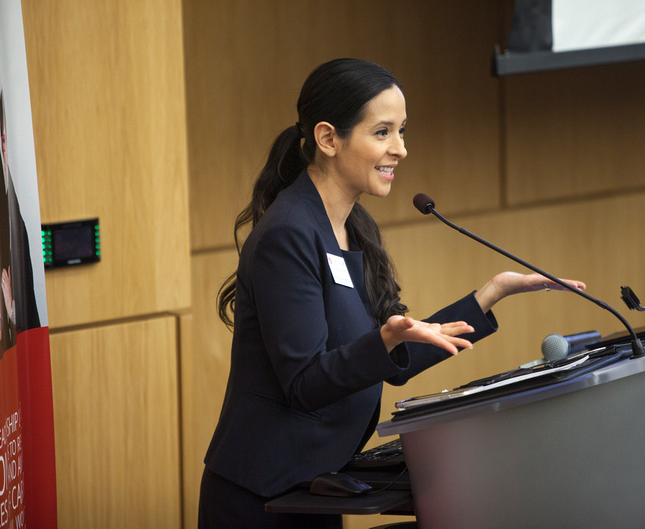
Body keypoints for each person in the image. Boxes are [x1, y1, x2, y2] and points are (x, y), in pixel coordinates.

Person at [198, 58, 584, 528]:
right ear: (328, 139)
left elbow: (392, 356)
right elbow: (304, 384)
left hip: (309, 485)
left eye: (403, 131)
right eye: (383, 132)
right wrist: (383, 341)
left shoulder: (350, 228)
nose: (400, 149)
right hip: (261, 498)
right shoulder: (290, 234)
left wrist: (489, 296)